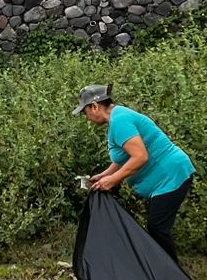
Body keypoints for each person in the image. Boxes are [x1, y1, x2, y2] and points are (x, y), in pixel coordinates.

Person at [75, 84, 196, 263]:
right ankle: (163, 273)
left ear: (94, 106)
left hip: (171, 175)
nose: (87, 118)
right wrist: (105, 175)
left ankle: (172, 277)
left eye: (85, 112)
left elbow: (140, 157)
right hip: (166, 177)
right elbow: (125, 156)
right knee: (157, 229)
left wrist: (113, 180)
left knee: (158, 229)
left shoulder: (120, 121)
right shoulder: (118, 118)